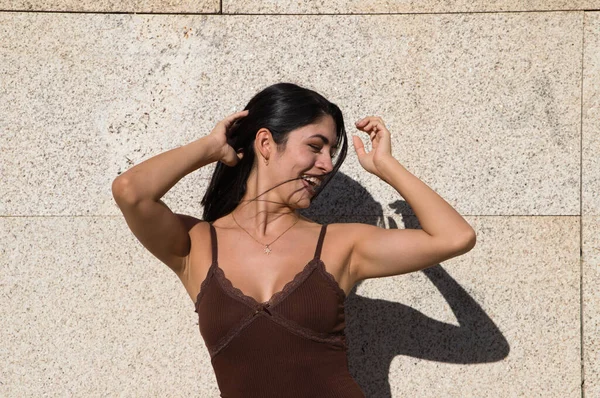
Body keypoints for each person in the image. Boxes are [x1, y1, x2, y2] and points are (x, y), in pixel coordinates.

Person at [111, 82, 476, 397]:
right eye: (316, 147)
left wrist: (387, 166)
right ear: (266, 144)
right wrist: (209, 149)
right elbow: (131, 191)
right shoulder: (197, 244)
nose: (327, 164)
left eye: (331, 152)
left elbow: (455, 237)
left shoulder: (340, 245)